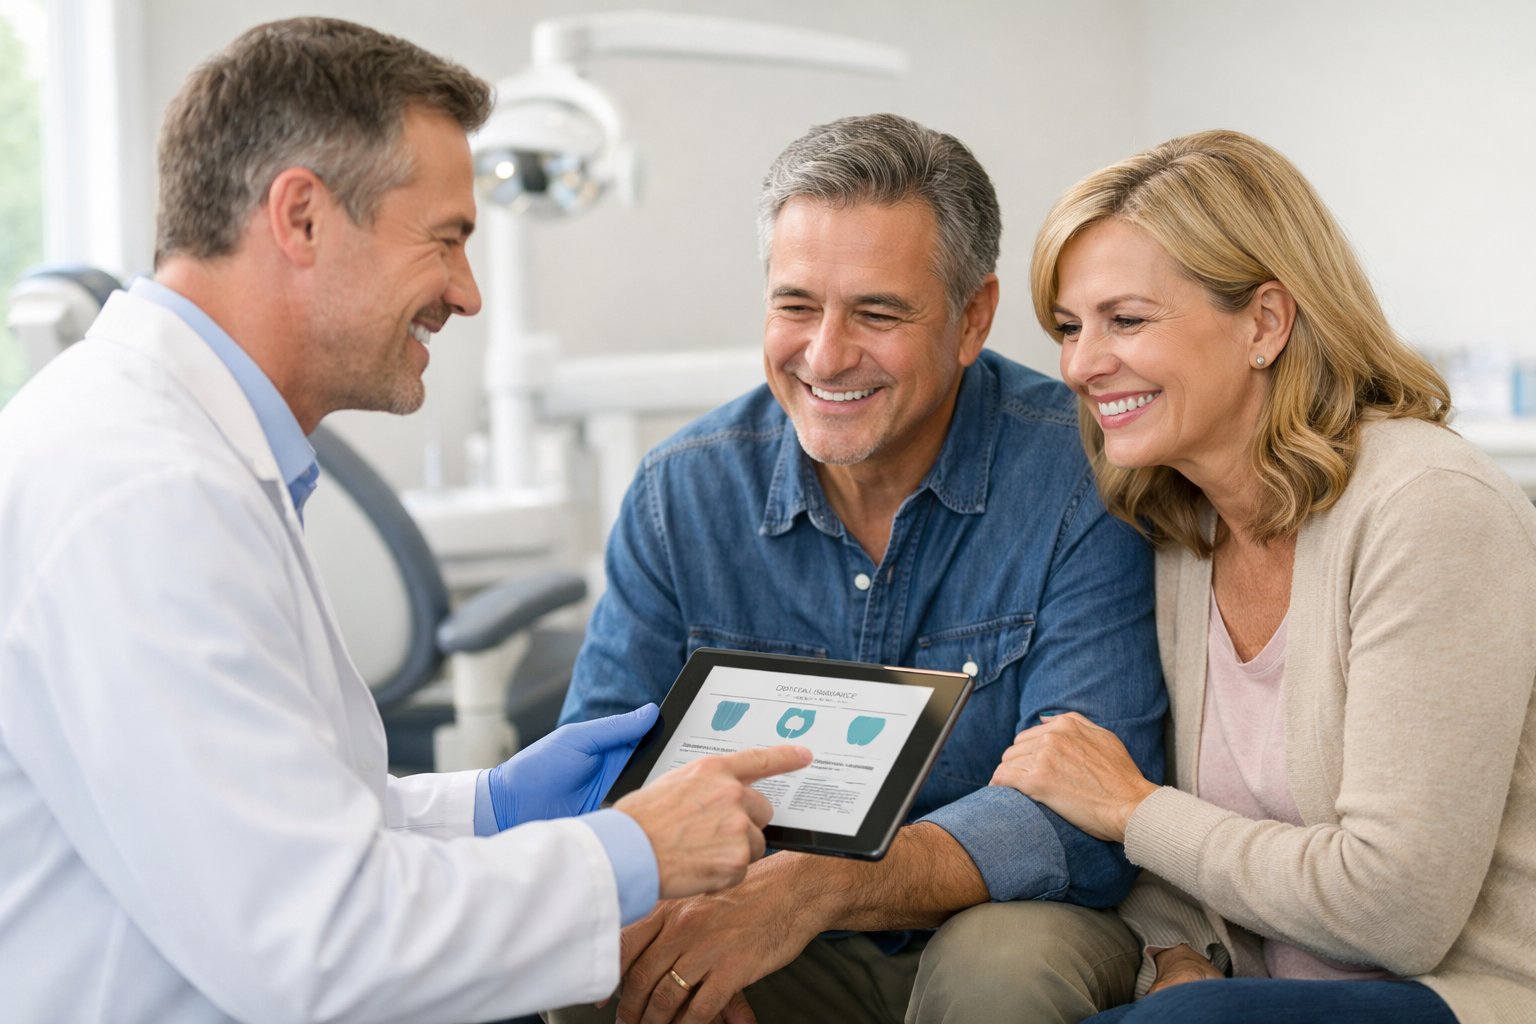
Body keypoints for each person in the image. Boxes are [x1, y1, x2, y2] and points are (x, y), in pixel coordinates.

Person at [0, 18, 814, 1024]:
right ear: (299, 217)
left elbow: (291, 830)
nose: (465, 293)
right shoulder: (145, 496)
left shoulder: (179, 455)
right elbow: (320, 939)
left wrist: (494, 805)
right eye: (447, 239)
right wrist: (633, 852)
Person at [548, 113, 1168, 1024]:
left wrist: (815, 887)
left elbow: (1085, 822)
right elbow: (595, 782)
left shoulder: (1082, 480)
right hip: (760, 923)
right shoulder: (678, 494)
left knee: (1001, 970)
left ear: (973, 318)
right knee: (600, 960)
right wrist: (672, 913)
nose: (826, 355)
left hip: (1003, 920)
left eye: (877, 313)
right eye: (796, 305)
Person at [992, 129, 1536, 1023]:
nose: (1080, 365)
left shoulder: (1429, 508)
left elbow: (1396, 912)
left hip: (1465, 997)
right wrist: (1174, 953)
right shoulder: (1182, 523)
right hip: (1258, 994)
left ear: (1267, 323)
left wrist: (1133, 810)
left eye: (1125, 320)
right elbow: (1181, 857)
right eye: (1068, 327)